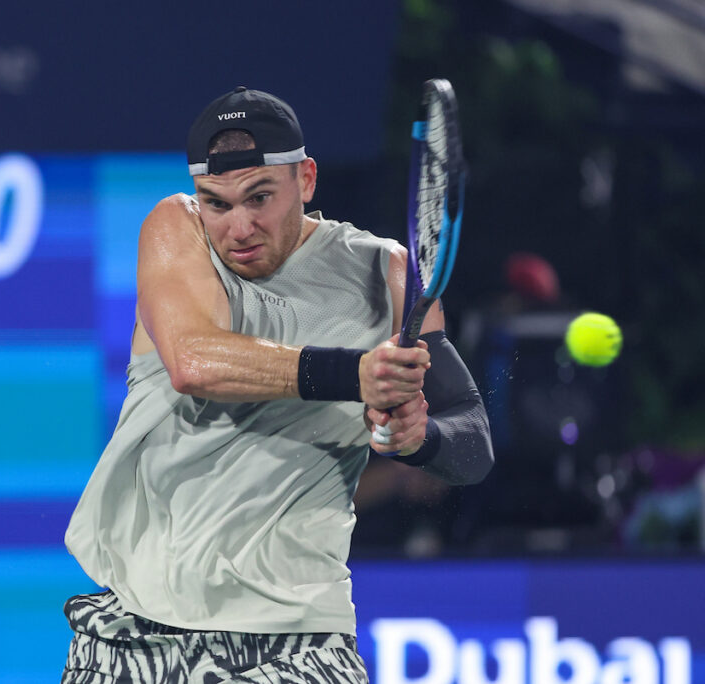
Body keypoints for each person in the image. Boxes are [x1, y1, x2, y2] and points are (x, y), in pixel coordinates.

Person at [61, 86, 494, 683]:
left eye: (260, 197)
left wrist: (417, 439)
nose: (239, 226)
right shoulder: (175, 228)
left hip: (297, 644)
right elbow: (193, 362)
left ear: (306, 179)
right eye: (217, 202)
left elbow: (472, 440)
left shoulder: (391, 275)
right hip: (136, 635)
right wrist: (357, 374)